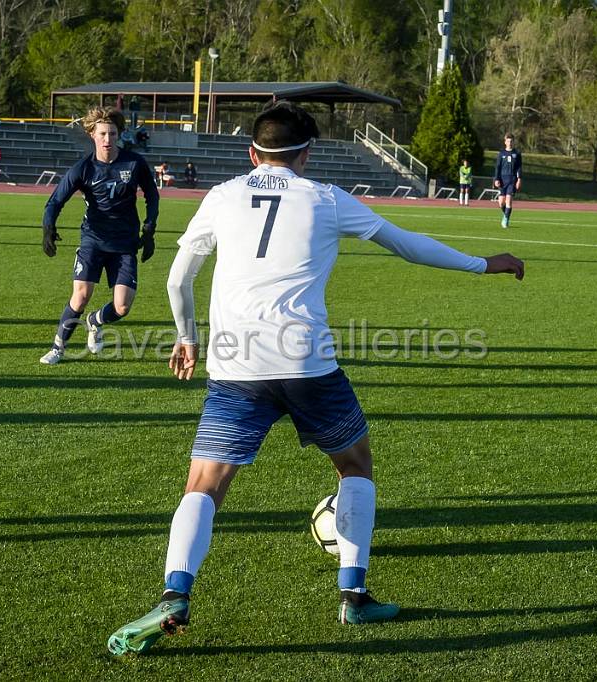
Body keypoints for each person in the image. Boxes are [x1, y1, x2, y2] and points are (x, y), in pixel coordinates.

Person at [105, 101, 525, 656]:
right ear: (306, 154)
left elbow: (179, 278)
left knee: (203, 485)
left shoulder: (223, 194)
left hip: (235, 364)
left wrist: (187, 337)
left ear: (252, 152)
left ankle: (175, 593)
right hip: (308, 365)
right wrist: (481, 263)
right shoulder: (326, 198)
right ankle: (353, 595)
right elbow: (405, 245)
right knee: (355, 465)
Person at [39, 106, 160, 365]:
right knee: (81, 296)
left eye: (113, 134)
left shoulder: (134, 163)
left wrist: (149, 228)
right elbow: (55, 201)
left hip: (125, 242)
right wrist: (48, 228)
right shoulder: (83, 168)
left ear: (119, 135)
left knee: (122, 307)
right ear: (92, 135)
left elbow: (152, 195)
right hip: (93, 240)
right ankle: (58, 347)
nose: (108, 140)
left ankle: (95, 322)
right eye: (103, 134)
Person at [492, 133, 522, 228]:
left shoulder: (517, 154)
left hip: (512, 179)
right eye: (508, 141)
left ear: (513, 142)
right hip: (502, 180)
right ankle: (506, 215)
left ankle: (505, 219)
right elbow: (498, 167)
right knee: (501, 203)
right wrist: (496, 179)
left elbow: (519, 168)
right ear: (505, 142)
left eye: (511, 141)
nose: (510, 143)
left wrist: (519, 179)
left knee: (508, 201)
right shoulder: (501, 154)